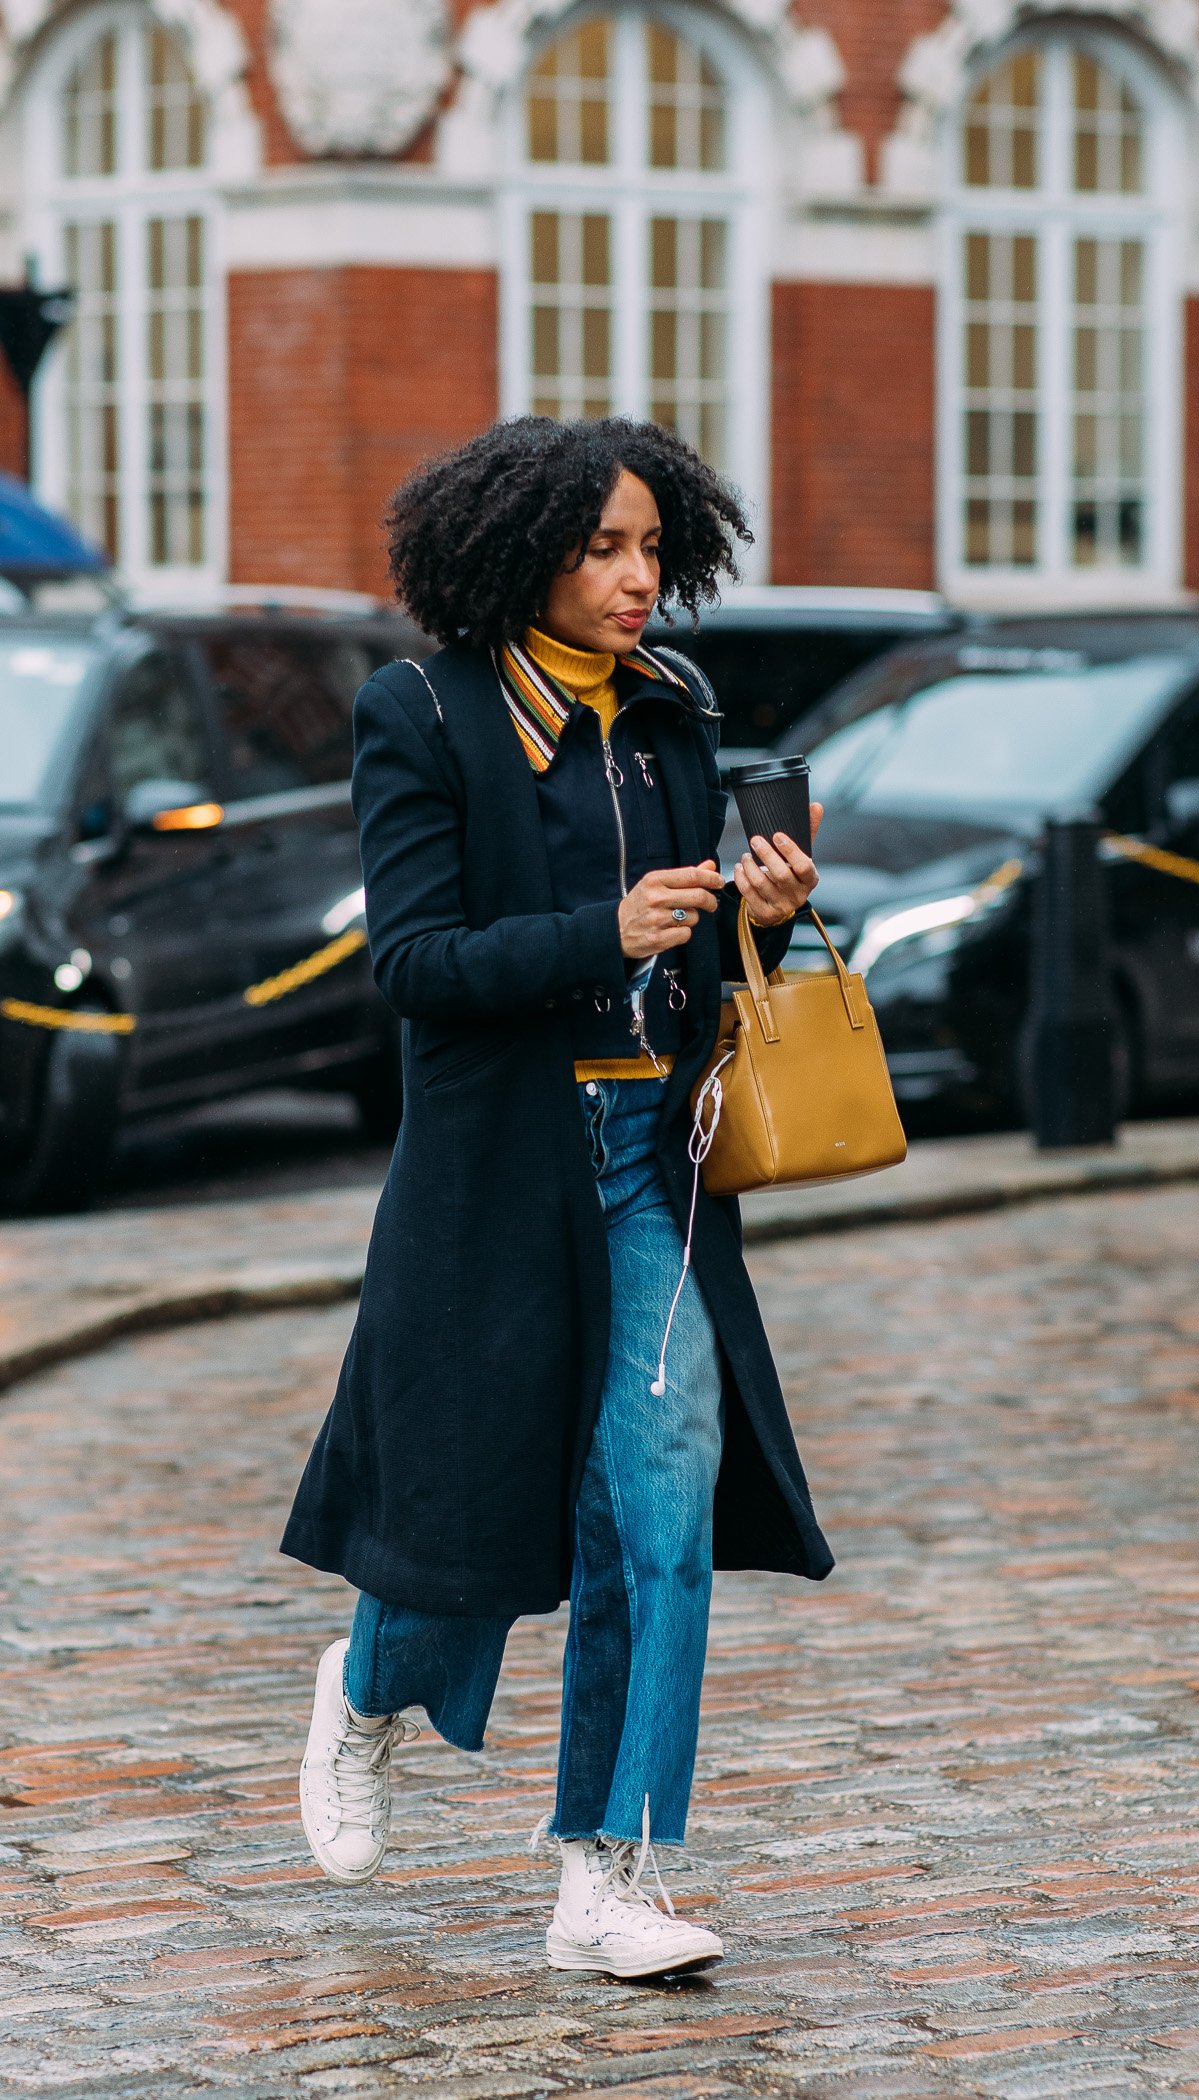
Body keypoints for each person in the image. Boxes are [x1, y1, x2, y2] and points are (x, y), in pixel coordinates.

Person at [281, 415, 833, 1981]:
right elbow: (413, 967)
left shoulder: (670, 718)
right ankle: (368, 1694)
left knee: (657, 1514)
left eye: (654, 546)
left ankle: (611, 1876)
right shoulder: (424, 714)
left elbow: (704, 968)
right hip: (494, 1182)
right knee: (466, 1510)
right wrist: (606, 930)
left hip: (649, 1168)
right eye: (603, 548)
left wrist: (763, 922)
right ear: (520, 552)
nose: (636, 578)